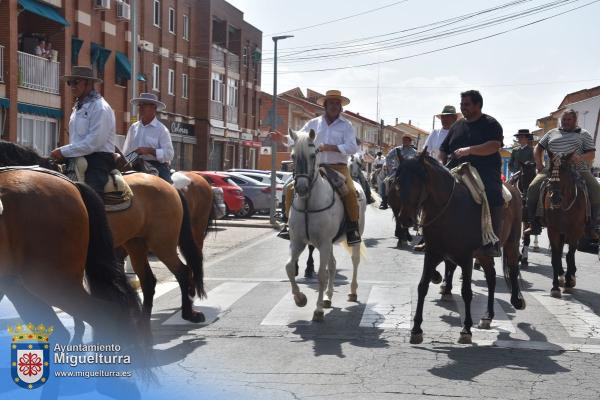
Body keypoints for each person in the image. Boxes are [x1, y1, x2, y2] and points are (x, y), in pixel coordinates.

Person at [276, 89, 361, 244]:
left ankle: (352, 229)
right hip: (316, 167)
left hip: (338, 167)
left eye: (337, 103)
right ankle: (288, 225)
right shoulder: (313, 123)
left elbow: (352, 147)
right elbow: (297, 137)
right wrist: (281, 137)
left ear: (341, 107)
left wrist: (330, 147)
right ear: (325, 105)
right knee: (289, 189)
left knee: (350, 192)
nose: (334, 106)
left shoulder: (346, 125)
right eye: (331, 103)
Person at [439, 90, 504, 257]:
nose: (463, 107)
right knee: (434, 193)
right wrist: (441, 165)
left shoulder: (491, 124)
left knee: (493, 193)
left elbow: (494, 145)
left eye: (466, 104)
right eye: (461, 105)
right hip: (456, 170)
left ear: (478, 105)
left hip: (484, 170)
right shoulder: (457, 126)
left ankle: (492, 242)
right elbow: (443, 150)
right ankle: (432, 236)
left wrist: (469, 150)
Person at [524, 109, 600, 237]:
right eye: (564, 119)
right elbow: (538, 148)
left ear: (575, 120)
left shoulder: (584, 134)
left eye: (569, 119)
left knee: (596, 188)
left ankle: (592, 225)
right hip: (552, 169)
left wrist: (579, 158)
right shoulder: (551, 133)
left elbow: (591, 154)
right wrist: (538, 163)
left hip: (578, 170)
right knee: (532, 188)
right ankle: (533, 223)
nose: (566, 122)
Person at [50, 66, 116, 197]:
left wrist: (63, 151)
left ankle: (95, 217)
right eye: (70, 82)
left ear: (89, 83)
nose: (72, 86)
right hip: (77, 156)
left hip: (98, 160)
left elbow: (93, 143)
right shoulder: (78, 108)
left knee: (90, 197)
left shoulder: (100, 108)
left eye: (76, 82)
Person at [123, 93, 175, 183]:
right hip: (135, 165)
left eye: (145, 105)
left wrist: (150, 151)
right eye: (140, 105)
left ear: (153, 108)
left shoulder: (162, 130)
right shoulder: (133, 128)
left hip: (157, 166)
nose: (141, 108)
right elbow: (126, 152)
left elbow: (169, 154)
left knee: (168, 189)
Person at [379, 135, 417, 210]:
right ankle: (384, 201)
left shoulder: (414, 152)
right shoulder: (397, 150)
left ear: (410, 142)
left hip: (409, 172)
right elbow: (388, 157)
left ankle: (417, 202)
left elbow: (416, 162)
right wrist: (390, 166)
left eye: (407, 140)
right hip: (397, 170)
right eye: (404, 140)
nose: (405, 141)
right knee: (385, 182)